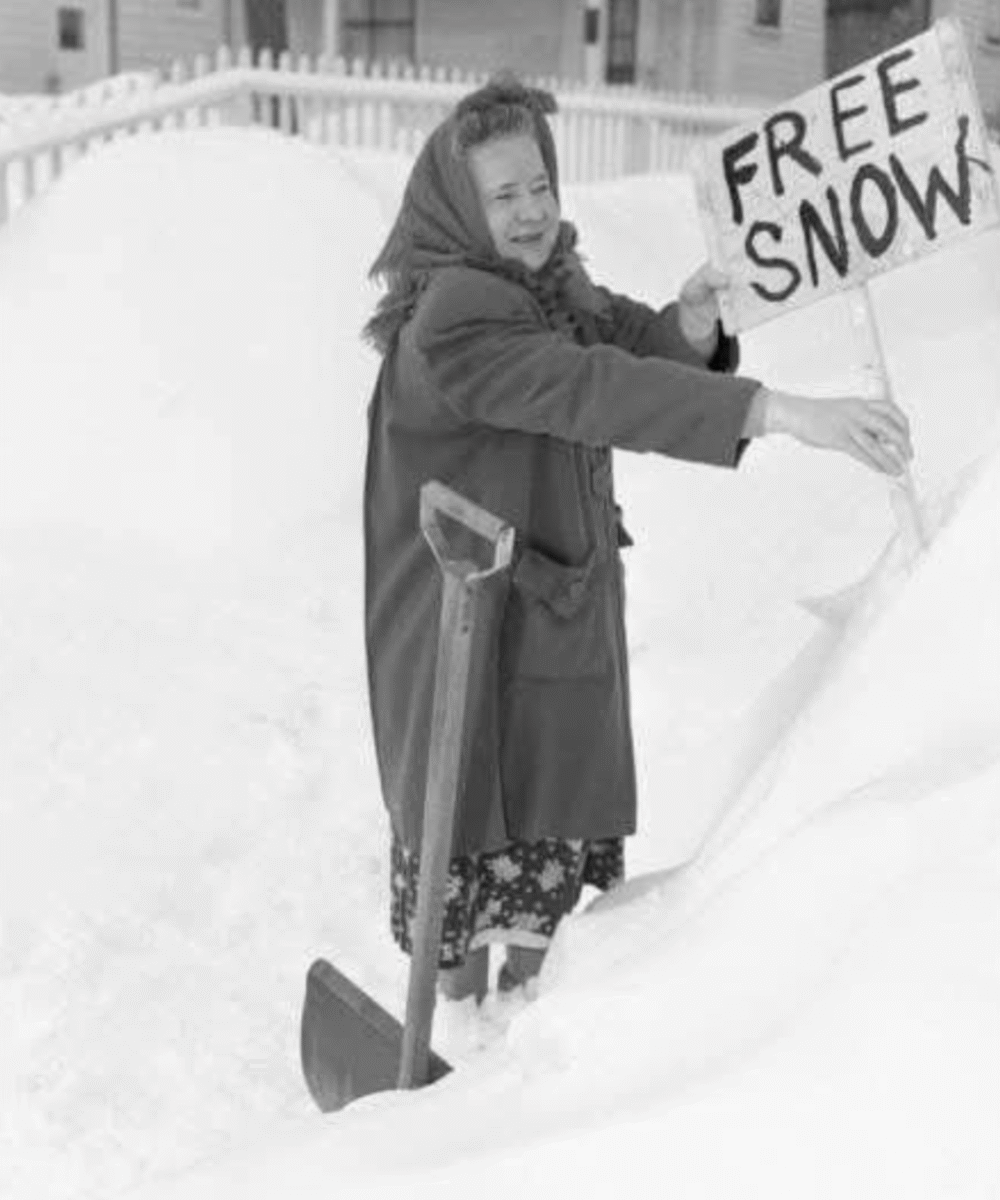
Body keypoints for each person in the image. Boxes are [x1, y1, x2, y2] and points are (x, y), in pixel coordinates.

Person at [362, 76, 912, 1003]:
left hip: (541, 606)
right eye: (505, 196)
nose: (534, 210)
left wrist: (689, 324)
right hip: (461, 616)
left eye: (540, 184)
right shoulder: (455, 316)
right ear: (459, 207)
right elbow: (590, 388)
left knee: (544, 841)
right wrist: (778, 413)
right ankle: (458, 1046)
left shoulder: (546, 282)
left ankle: (527, 1033)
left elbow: (622, 348)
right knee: (466, 839)